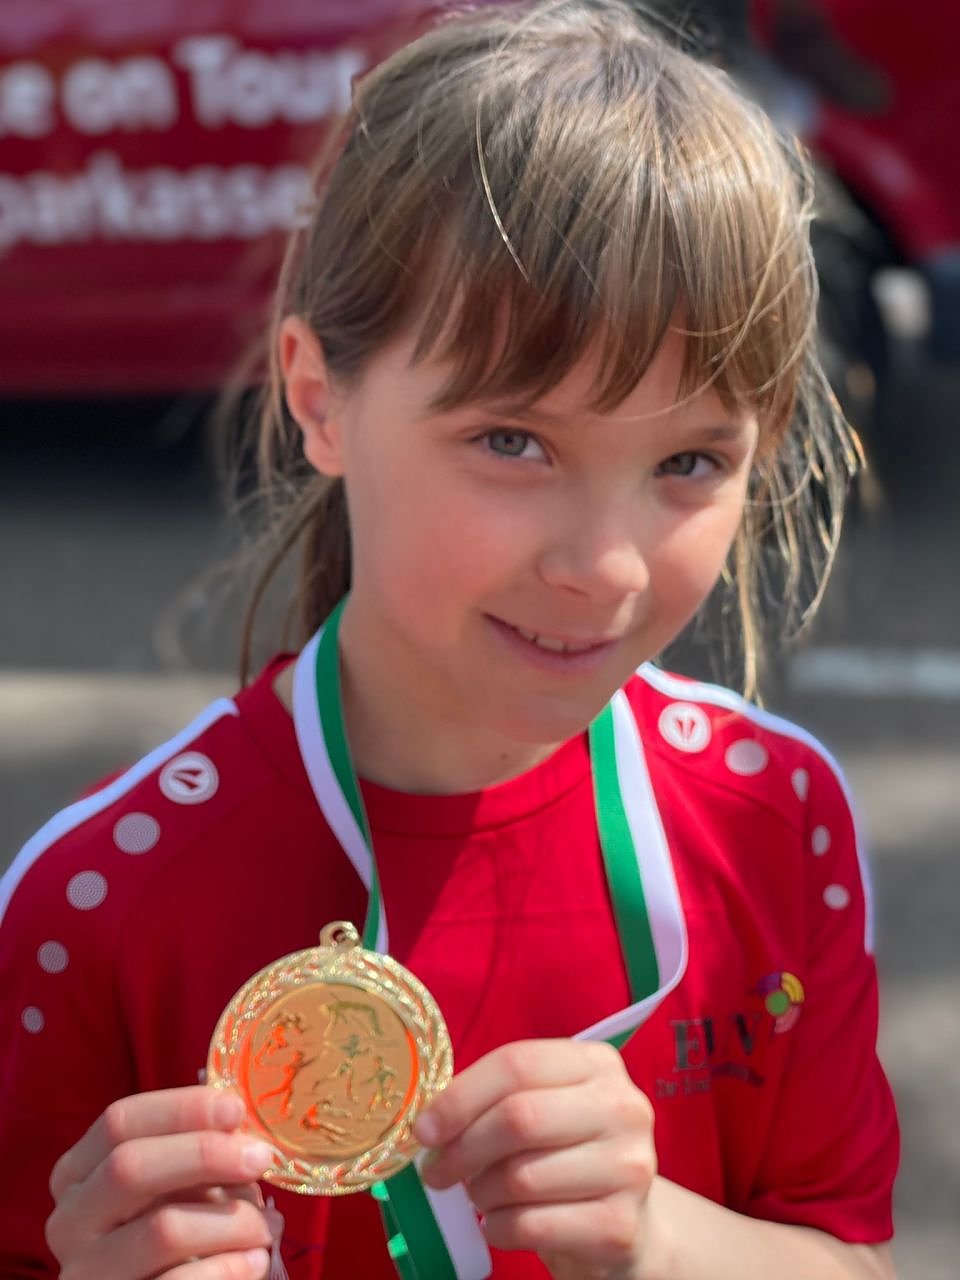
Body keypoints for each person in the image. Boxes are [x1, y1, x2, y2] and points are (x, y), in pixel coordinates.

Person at [0, 1, 899, 1277]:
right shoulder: (99, 897)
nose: (604, 565)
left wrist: (663, 1237)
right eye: (512, 441)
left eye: (691, 460)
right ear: (320, 398)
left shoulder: (776, 813)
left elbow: (849, 1251)